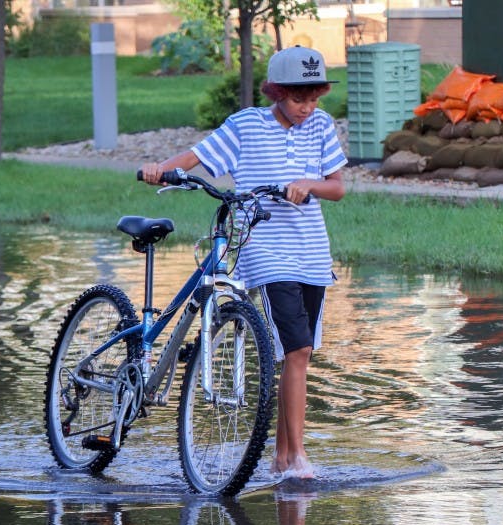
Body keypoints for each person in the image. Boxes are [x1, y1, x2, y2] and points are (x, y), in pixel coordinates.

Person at [139, 45, 347, 479]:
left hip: (312, 251)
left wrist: (308, 184)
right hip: (266, 249)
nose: (307, 108)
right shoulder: (246, 126)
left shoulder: (321, 126)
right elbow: (196, 157)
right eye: (298, 99)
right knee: (297, 348)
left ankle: (282, 459)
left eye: (314, 99)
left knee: (299, 356)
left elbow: (337, 187)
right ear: (277, 92)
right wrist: (160, 167)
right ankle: (298, 457)